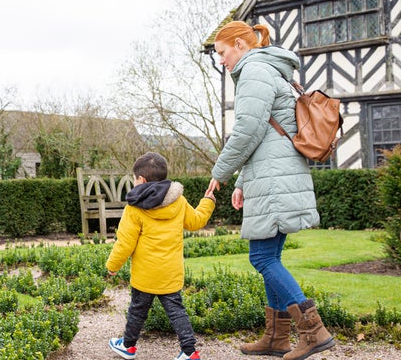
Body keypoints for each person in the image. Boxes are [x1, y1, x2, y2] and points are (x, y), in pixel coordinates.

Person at [205, 21, 335, 360]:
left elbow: (247, 131)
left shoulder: (254, 71)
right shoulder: (266, 69)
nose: (220, 60)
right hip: (272, 175)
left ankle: (313, 332)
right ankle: (276, 338)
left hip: (276, 180)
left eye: (222, 52)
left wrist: (220, 172)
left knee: (261, 257)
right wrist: (241, 182)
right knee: (270, 257)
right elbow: (264, 135)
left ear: (239, 45)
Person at [107, 152, 216, 360]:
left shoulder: (134, 207)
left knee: (137, 311)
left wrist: (113, 265)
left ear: (141, 180)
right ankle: (189, 351)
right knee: (177, 312)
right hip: (170, 273)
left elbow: (125, 242)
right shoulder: (179, 201)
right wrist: (208, 201)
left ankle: (128, 346)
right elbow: (196, 221)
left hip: (145, 274)